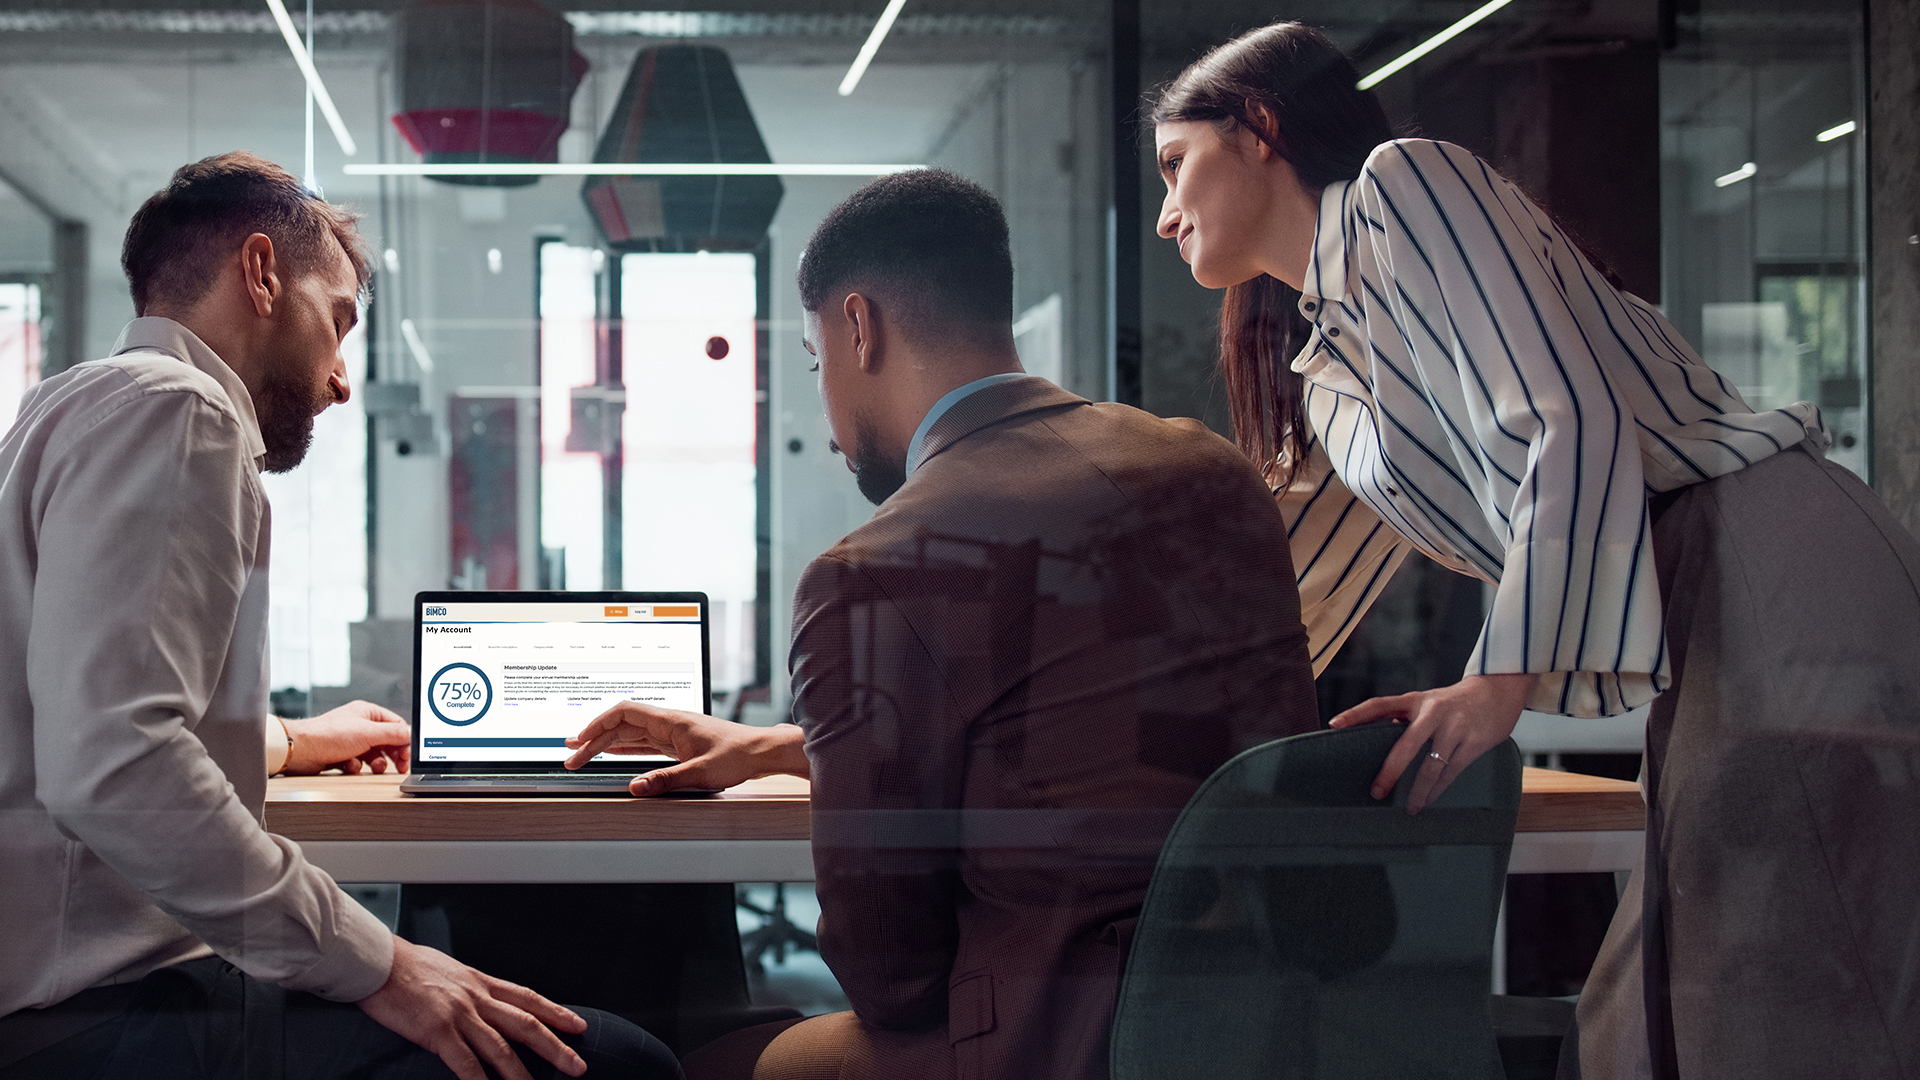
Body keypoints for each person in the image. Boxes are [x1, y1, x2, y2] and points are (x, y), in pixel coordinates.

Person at [1148, 21, 1920, 1080]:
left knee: (1785, 986)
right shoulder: (1331, 367)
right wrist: (1139, 717)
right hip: (1697, 599)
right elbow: (1297, 592)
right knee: (1656, 1017)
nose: (1164, 212)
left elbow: (1565, 417)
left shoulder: (1403, 187)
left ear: (1261, 129)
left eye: (1176, 164)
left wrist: (1496, 682)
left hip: (1768, 552)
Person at [562, 169, 1322, 1080]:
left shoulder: (873, 573)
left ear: (858, 327)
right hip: (1267, 1025)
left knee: (699, 1059)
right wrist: (784, 746)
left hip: (1044, 1045)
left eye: (815, 362)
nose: (826, 407)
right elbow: (1098, 741)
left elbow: (893, 981)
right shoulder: (1212, 472)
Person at [0, 152, 679, 1080]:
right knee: (615, 1060)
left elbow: (66, 705)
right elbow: (112, 766)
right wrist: (381, 965)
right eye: (340, 321)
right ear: (261, 272)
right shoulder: (183, 412)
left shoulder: (67, 405)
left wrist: (282, 739)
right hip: (94, 1010)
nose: (342, 378)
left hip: (54, 989)